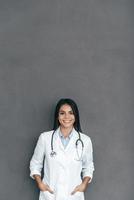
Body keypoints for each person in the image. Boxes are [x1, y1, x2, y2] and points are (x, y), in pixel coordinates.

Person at [29, 98, 94, 200]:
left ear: (75, 116)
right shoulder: (45, 138)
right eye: (62, 113)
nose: (67, 117)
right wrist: (40, 183)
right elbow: (35, 164)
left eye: (71, 113)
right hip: (50, 195)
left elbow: (88, 166)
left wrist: (84, 184)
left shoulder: (85, 141)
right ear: (57, 116)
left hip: (73, 195)